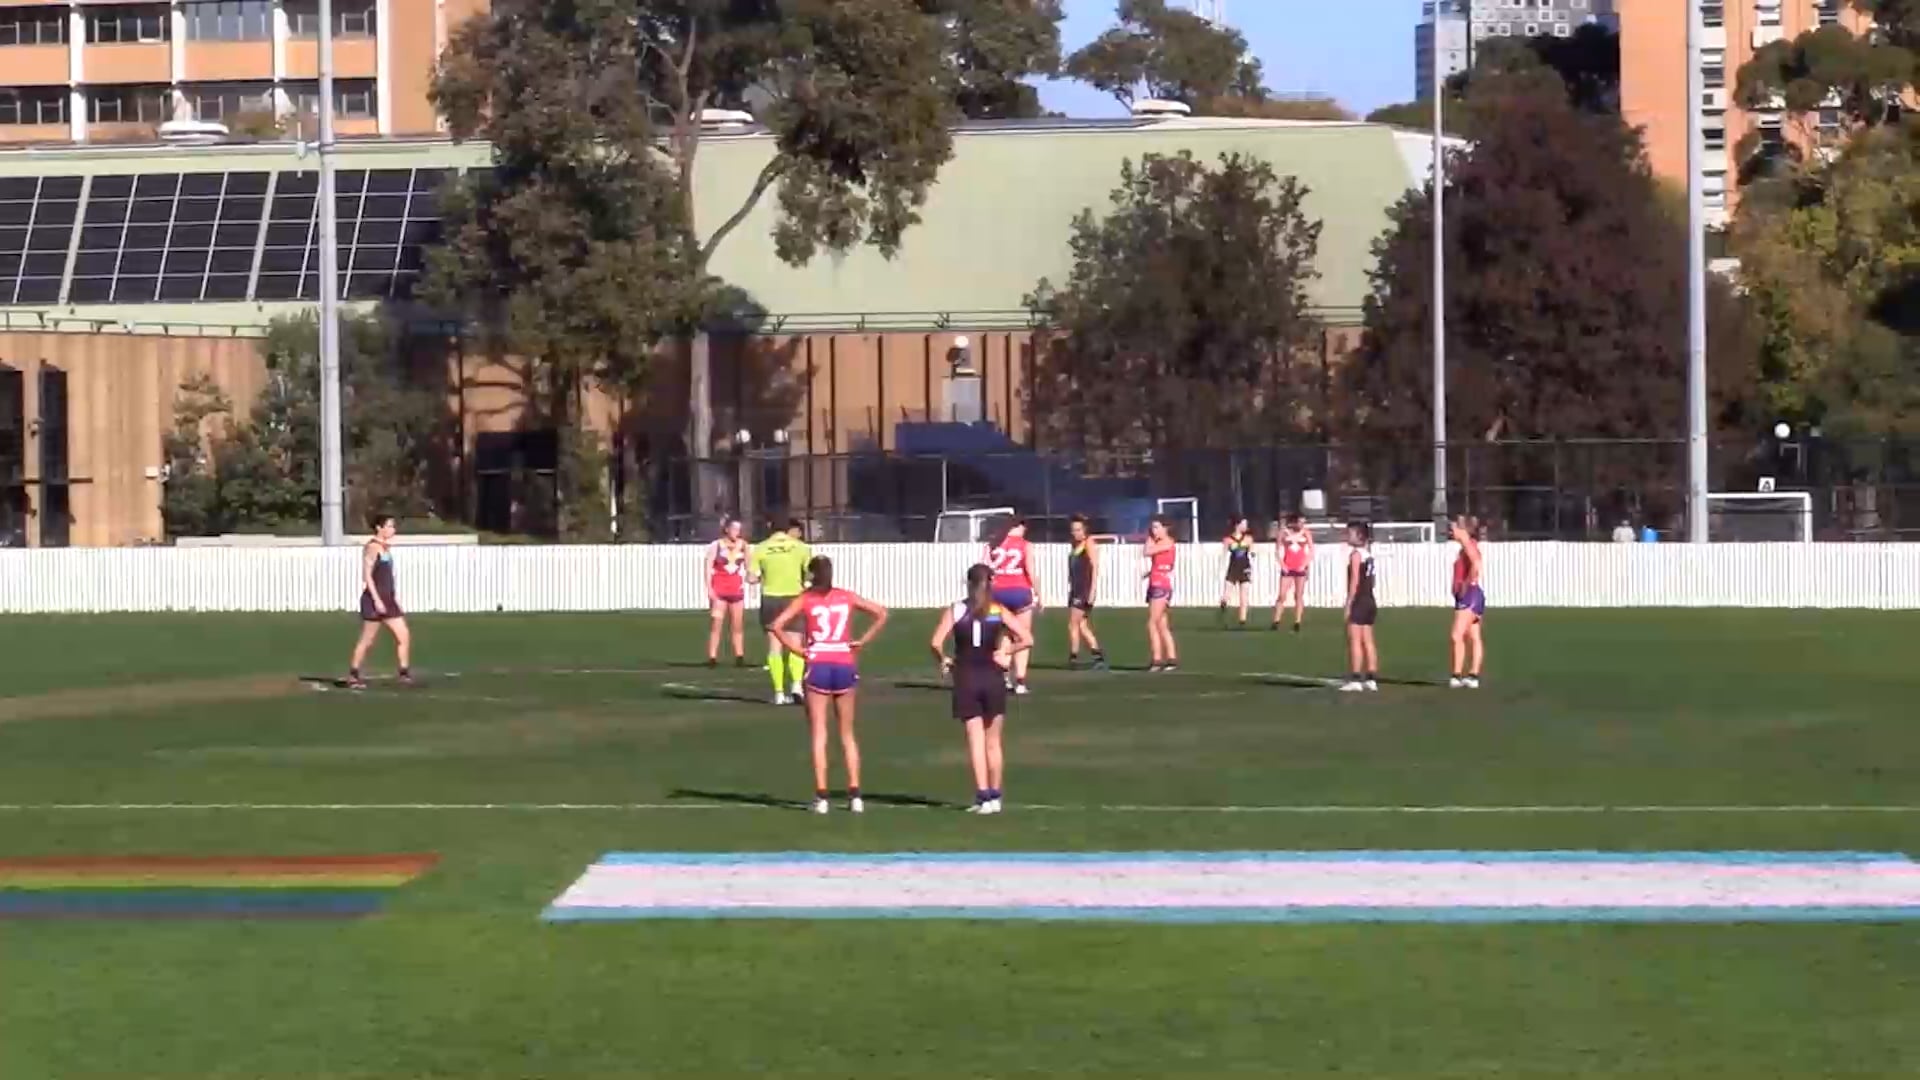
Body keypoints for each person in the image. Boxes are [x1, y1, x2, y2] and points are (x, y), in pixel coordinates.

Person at [770, 556, 889, 815]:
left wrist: (799, 651)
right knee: (847, 733)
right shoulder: (846, 596)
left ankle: (822, 797)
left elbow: (777, 626)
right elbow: (881, 613)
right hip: (844, 662)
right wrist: (862, 641)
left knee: (819, 733)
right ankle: (855, 795)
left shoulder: (806, 599)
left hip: (818, 664)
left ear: (812, 575)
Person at [930, 563, 1033, 814]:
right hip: (993, 677)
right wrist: (1006, 651)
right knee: (994, 742)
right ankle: (996, 797)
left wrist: (944, 659)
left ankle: (983, 797)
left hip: (966, 677)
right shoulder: (998, 610)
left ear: (968, 583)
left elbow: (935, 643)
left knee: (976, 741)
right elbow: (1028, 639)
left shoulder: (956, 610)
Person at [748, 518, 811, 705]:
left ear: (770, 527)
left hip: (770, 598)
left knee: (775, 646)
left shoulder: (760, 548)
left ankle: (778, 693)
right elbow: (809, 575)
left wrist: (765, 579)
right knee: (795, 644)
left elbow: (751, 578)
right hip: (793, 598)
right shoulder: (801, 547)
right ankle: (797, 686)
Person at [348, 513, 412, 690]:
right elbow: (367, 575)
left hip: (388, 599)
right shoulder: (372, 547)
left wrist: (391, 598)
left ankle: (404, 673)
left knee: (404, 635)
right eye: (390, 526)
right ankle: (353, 675)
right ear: (379, 527)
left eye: (393, 526)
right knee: (367, 640)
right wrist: (377, 600)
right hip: (374, 600)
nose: (393, 530)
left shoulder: (386, 548)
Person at [984, 517, 1038, 695]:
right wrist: (1039, 594)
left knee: (1001, 633)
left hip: (996, 595)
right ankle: (1020, 681)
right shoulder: (1025, 545)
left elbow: (984, 570)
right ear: (1019, 527)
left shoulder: (992, 544)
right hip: (1020, 593)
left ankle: (1003, 676)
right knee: (1022, 636)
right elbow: (1029, 570)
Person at [704, 518, 750, 668]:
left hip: (736, 589)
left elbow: (749, 567)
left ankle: (739, 656)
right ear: (727, 530)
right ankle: (712, 657)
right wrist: (709, 589)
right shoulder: (716, 545)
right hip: (719, 590)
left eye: (739, 529)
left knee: (737, 625)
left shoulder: (743, 546)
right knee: (716, 624)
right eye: (734, 529)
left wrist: (753, 580)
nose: (737, 532)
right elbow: (708, 567)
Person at [1340, 521, 1379, 693]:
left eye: (1350, 533)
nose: (1347, 536)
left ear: (1359, 536)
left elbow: (1354, 580)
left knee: (1355, 640)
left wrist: (1348, 603)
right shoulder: (1368, 555)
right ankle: (1371, 678)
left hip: (1359, 601)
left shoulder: (1355, 555)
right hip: (1370, 599)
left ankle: (1355, 678)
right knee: (1368, 641)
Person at [1064, 514, 1107, 670]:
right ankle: (1098, 657)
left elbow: (1095, 567)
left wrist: (1092, 591)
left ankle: (1073, 658)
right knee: (1082, 625)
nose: (1075, 533)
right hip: (1075, 589)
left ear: (1085, 530)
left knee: (1073, 624)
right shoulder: (1074, 545)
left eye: (1078, 530)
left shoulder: (1088, 543)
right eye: (1073, 530)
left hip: (1083, 590)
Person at [1449, 515, 1487, 689]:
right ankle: (1472, 675)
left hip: (1469, 595)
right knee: (1474, 636)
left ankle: (1457, 675)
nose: (1452, 529)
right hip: (1472, 595)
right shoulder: (1466, 546)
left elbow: (1477, 563)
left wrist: (1465, 584)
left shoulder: (1467, 543)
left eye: (1455, 526)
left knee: (1457, 635)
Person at [1143, 514, 1179, 672]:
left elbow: (1147, 552)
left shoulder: (1168, 542)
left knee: (1152, 623)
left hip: (1161, 585)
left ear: (1166, 528)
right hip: (1156, 582)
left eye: (1157, 527)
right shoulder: (1160, 542)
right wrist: (1150, 572)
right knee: (1162, 624)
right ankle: (1171, 659)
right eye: (1152, 527)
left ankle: (1156, 659)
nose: (1154, 530)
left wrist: (1149, 539)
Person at [1271, 513, 1314, 633]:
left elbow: (1311, 550)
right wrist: (1282, 564)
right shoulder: (1283, 533)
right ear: (1294, 522)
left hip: (1300, 567)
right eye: (1300, 522)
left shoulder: (1306, 533)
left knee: (1298, 595)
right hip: (1288, 567)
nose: (1302, 524)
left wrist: (1304, 565)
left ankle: (1297, 622)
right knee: (1282, 595)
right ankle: (1276, 621)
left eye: (1303, 522)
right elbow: (1277, 550)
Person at [1218, 517, 1255, 629]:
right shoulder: (1228, 539)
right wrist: (1221, 569)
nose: (1246, 526)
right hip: (1233, 568)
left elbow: (1252, 554)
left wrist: (1251, 569)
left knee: (1244, 596)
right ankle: (1223, 613)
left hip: (1245, 568)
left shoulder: (1248, 539)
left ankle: (1242, 621)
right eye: (1244, 524)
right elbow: (1224, 555)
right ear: (1237, 525)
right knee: (1226, 595)